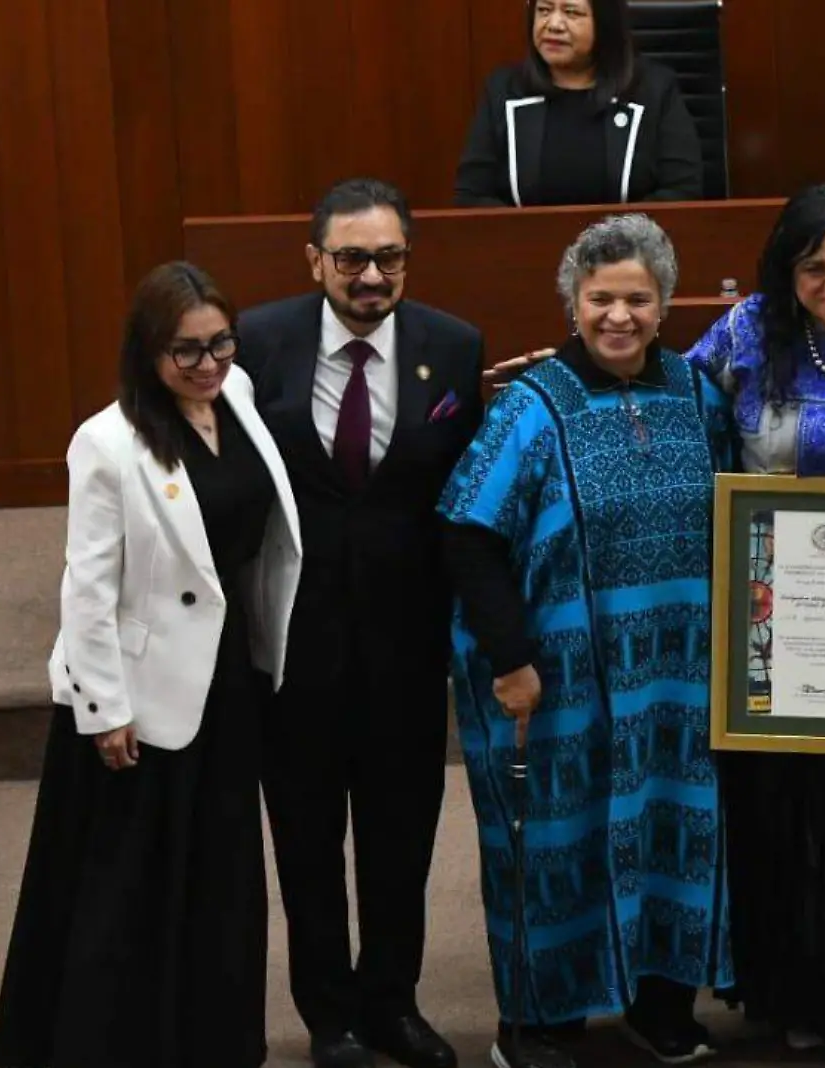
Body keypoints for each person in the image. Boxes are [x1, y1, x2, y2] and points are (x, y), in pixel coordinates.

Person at [483, 182, 825, 1067]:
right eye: (813, 266)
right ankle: (794, 986)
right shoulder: (748, 334)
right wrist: (562, 364)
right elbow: (659, 383)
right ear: (784, 270)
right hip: (766, 625)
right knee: (776, 809)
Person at [0, 262, 303, 1068]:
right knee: (126, 891)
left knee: (221, 874)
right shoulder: (107, 441)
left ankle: (214, 1041)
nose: (207, 365)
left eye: (219, 343)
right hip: (136, 698)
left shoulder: (238, 398)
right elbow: (86, 587)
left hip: (225, 678)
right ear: (147, 352)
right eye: (185, 352)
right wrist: (105, 708)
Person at [439, 214, 732, 1068]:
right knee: (555, 841)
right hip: (560, 682)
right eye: (601, 298)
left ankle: (660, 1004)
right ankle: (539, 1023)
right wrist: (511, 660)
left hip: (682, 678)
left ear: (665, 303)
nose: (619, 316)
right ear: (572, 302)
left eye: (638, 299)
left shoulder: (696, 393)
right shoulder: (530, 406)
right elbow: (467, 533)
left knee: (678, 827)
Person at [236, 178, 486, 1068]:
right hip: (294, 648)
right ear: (316, 261)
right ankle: (329, 1016)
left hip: (405, 646)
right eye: (352, 258)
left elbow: (466, 500)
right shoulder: (259, 342)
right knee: (305, 842)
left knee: (399, 839)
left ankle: (393, 1002)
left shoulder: (453, 348)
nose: (371, 275)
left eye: (389, 257)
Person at [453, 0, 703, 207]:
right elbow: (471, 196)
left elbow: (682, 191)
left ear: (605, 24)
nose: (553, 25)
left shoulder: (654, 90)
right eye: (544, 10)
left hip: (626, 259)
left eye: (571, 12)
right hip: (526, 255)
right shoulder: (503, 90)